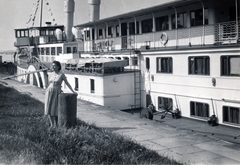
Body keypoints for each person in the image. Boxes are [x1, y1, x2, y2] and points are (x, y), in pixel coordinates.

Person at [44, 60, 77, 128]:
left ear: (58, 67)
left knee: (54, 108)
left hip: (56, 92)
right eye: (52, 65)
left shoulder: (61, 74)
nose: (53, 66)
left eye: (54, 65)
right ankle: (52, 124)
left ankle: (56, 124)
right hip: (49, 91)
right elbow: (47, 84)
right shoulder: (50, 74)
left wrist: (73, 91)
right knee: (48, 108)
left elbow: (67, 83)